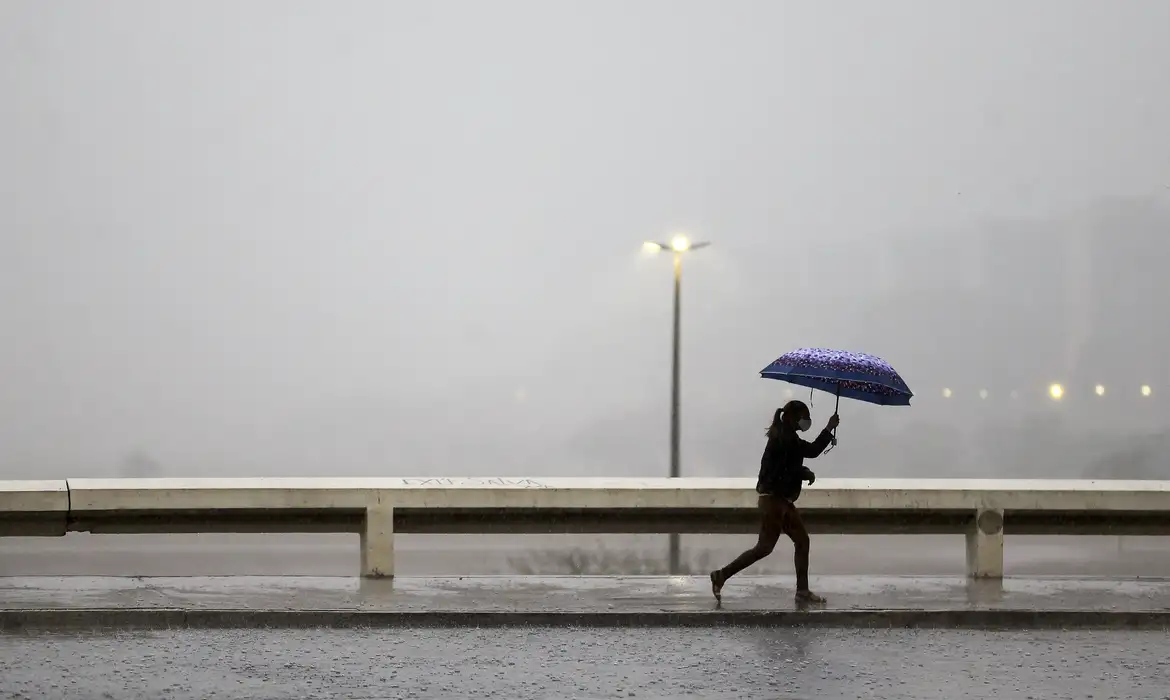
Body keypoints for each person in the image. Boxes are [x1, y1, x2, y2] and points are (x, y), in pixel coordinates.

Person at [709, 400, 839, 604]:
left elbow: (797, 460)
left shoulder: (786, 437)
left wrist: (827, 431)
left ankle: (802, 591)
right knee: (764, 547)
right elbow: (797, 461)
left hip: (781, 501)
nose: (807, 421)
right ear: (794, 418)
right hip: (774, 502)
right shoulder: (785, 439)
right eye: (805, 416)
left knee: (801, 541)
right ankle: (721, 575)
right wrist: (828, 430)